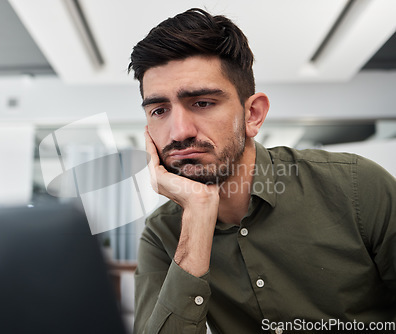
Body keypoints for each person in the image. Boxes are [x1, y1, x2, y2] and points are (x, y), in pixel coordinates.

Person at [128, 8, 396, 334]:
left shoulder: (357, 187)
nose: (179, 131)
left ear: (253, 114)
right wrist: (197, 217)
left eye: (202, 103)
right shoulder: (162, 234)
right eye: (159, 110)